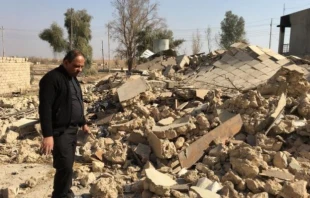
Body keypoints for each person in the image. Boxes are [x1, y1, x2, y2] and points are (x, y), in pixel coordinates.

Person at [39, 50, 90, 198]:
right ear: (65, 62)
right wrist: (48, 135)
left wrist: (83, 123)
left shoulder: (73, 78)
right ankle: (60, 195)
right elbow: (45, 108)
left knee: (68, 165)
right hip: (59, 132)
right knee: (64, 167)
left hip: (72, 130)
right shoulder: (51, 79)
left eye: (81, 67)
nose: (79, 70)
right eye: (76, 66)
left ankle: (66, 193)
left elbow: (76, 102)